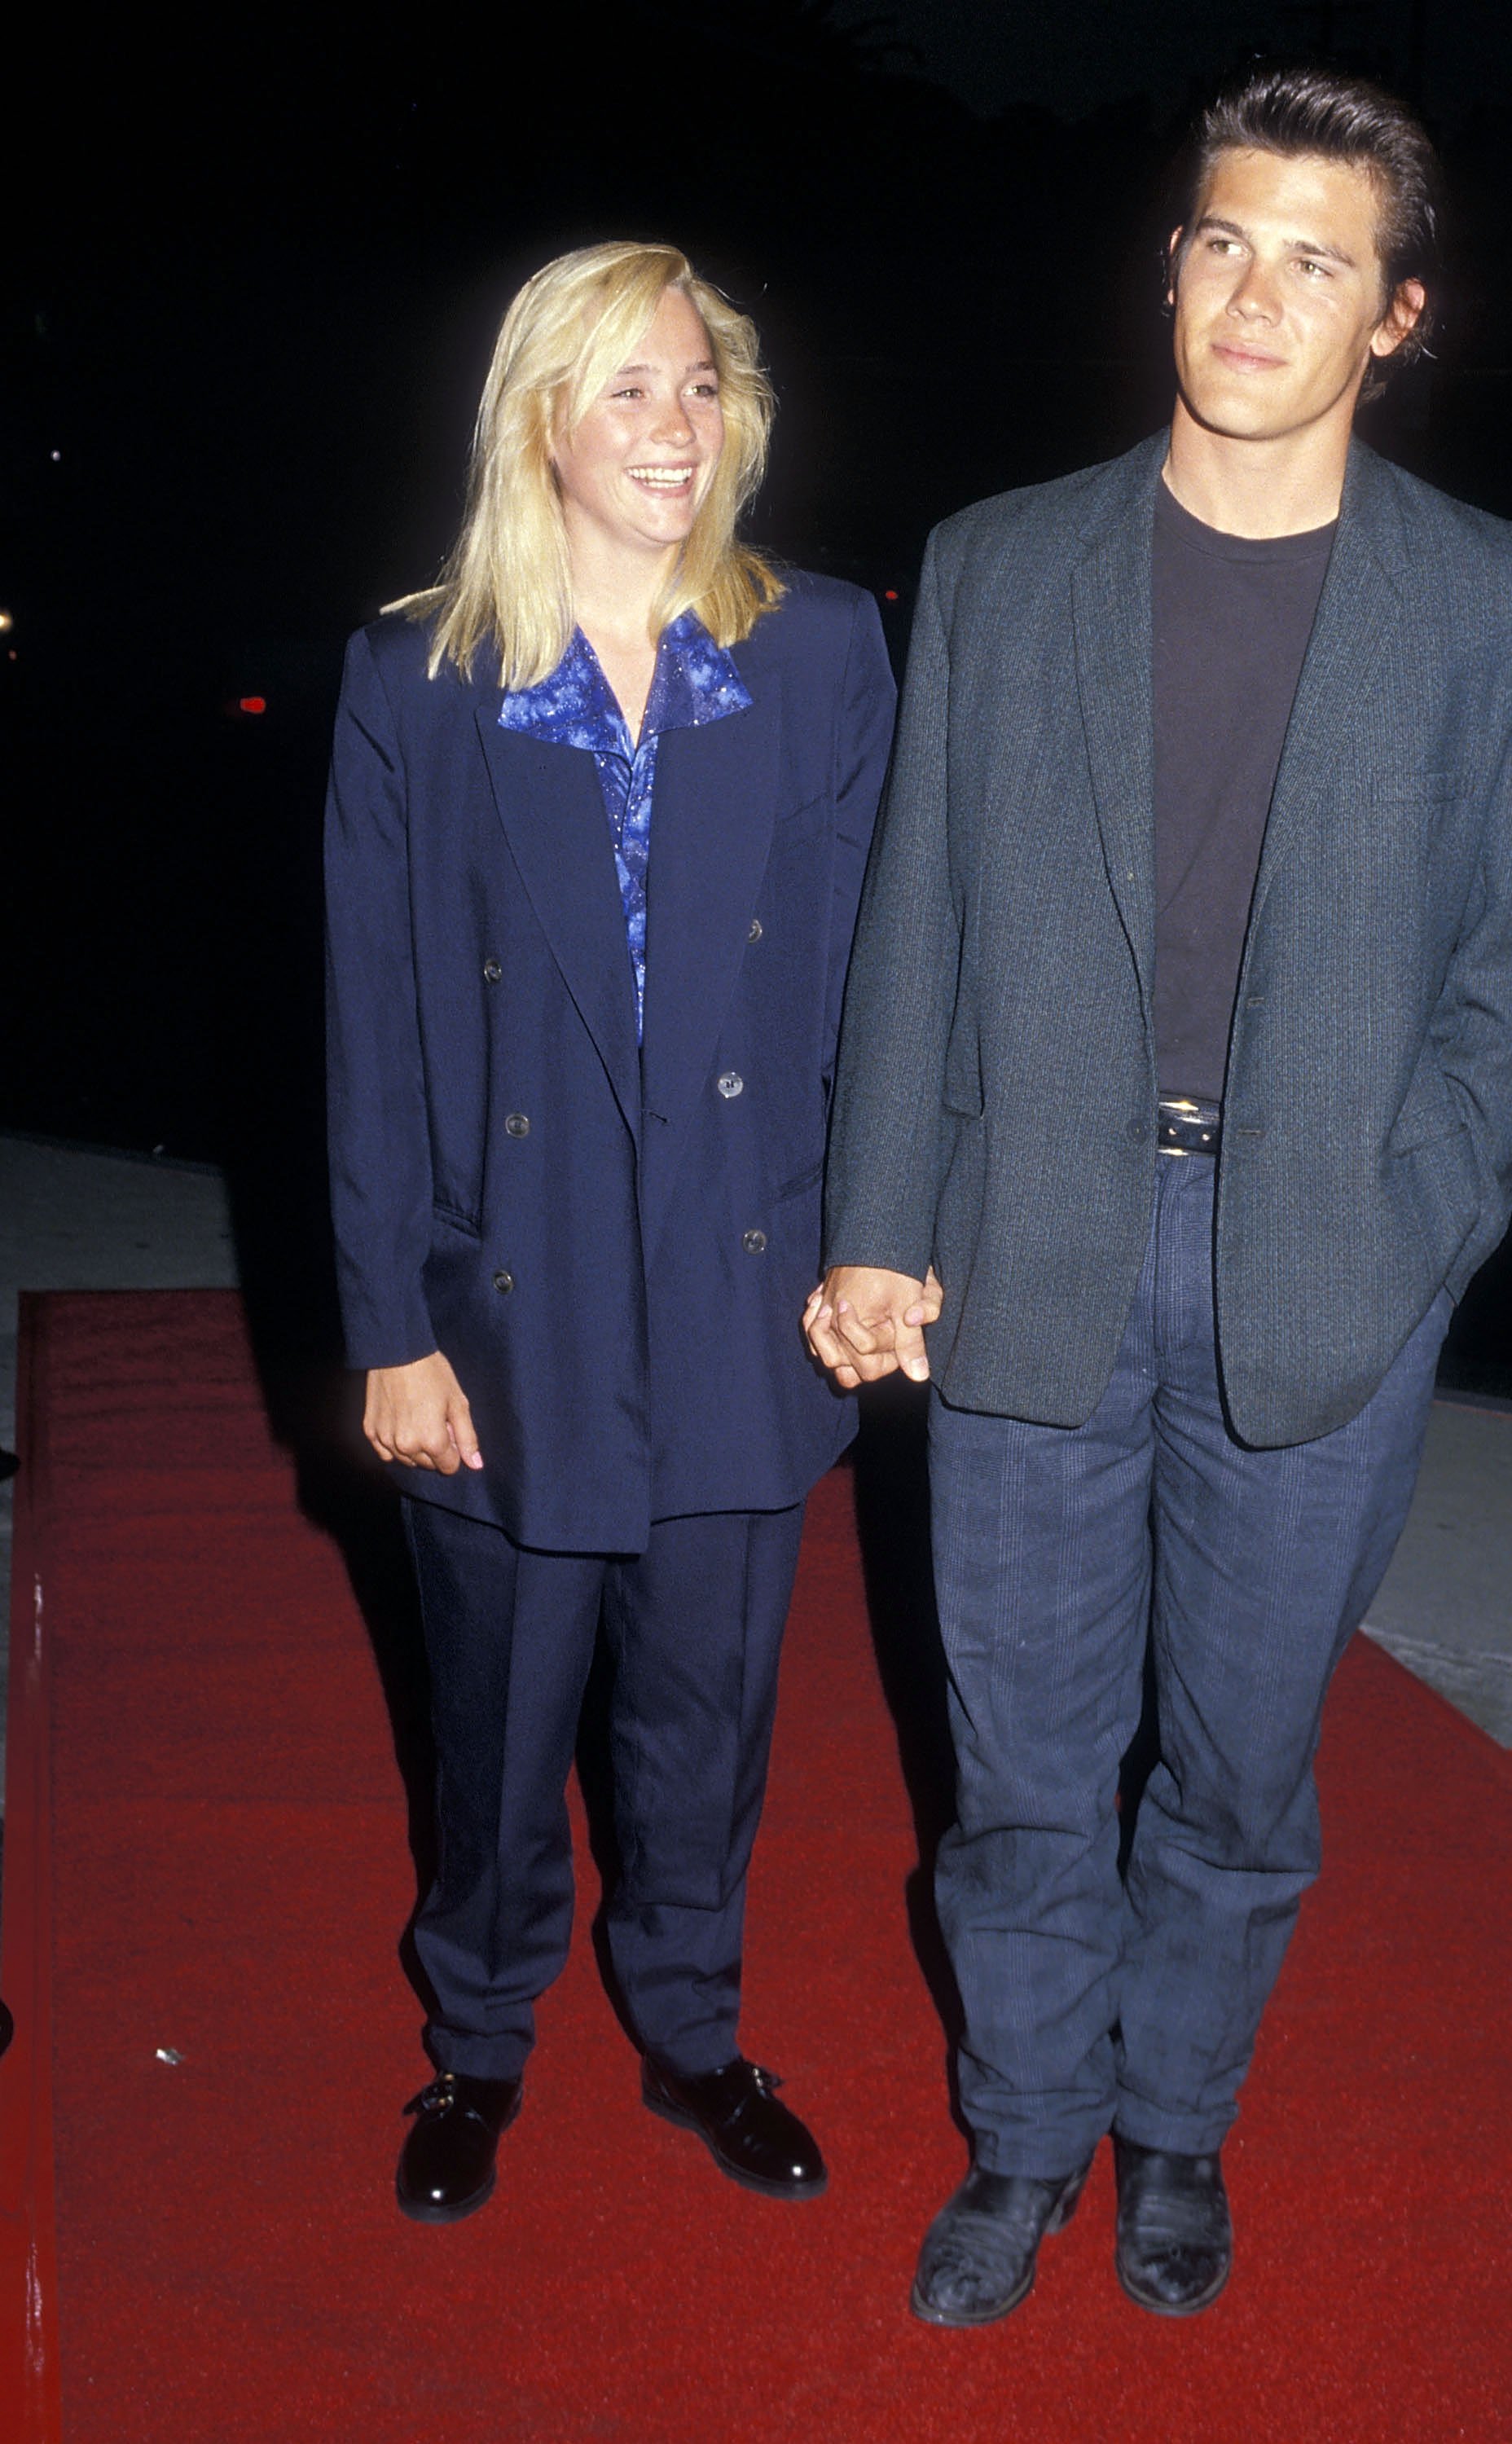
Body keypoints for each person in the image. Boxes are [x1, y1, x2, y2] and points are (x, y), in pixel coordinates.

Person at [807, 64, 1512, 2323]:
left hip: (1318, 1282)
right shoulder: (997, 560)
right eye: (1222, 240)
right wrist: (875, 1223)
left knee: (1239, 1784)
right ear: (1171, 265)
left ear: (1395, 317)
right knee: (1022, 1770)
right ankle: (1026, 2142)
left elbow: (1498, 986)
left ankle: (1174, 2135)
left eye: (1314, 260)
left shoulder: (1498, 607)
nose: (1256, 293)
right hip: (1029, 1249)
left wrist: (1409, 1234)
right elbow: (916, 928)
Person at [326, 241, 894, 2222]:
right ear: (539, 421)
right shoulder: (422, 675)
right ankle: (477, 2043)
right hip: (514, 1292)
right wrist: (391, 1321)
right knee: (495, 1720)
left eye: (701, 385)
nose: (675, 427)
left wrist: (881, 1235)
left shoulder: (817, 647)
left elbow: (867, 987)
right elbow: (377, 1022)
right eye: (627, 388)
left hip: (747, 1282)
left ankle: (693, 2034)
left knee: (704, 1722)